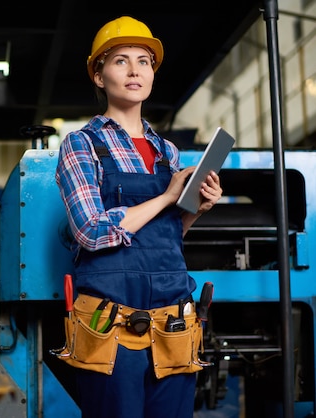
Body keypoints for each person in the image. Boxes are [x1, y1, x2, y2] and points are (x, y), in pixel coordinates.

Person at [54, 16, 223, 418]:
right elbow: (90, 232)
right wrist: (167, 196)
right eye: (120, 61)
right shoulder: (82, 144)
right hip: (110, 326)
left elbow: (167, 234)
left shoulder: (167, 152)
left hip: (174, 324)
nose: (134, 70)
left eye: (144, 61)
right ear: (99, 75)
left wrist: (195, 210)